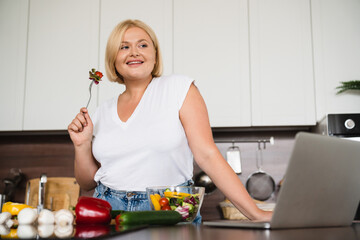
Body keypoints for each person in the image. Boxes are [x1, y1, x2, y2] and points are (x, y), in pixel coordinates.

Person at [67, 19, 272, 223]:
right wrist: (82, 145)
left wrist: (255, 213)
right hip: (110, 212)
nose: (134, 52)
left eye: (143, 45)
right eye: (124, 47)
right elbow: (87, 182)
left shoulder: (179, 89)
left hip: (168, 209)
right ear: (113, 59)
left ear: (155, 56)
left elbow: (208, 155)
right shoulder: (102, 110)